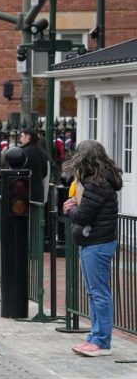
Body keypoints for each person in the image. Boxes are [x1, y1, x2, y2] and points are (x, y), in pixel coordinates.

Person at [62, 140, 123, 357]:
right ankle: (95, 336)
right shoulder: (99, 179)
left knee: (99, 293)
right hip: (95, 241)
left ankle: (101, 341)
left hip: (97, 242)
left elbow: (84, 215)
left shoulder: (97, 183)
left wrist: (70, 209)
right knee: (94, 292)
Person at [19, 126, 49, 202]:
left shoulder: (23, 152)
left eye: (22, 136)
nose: (20, 139)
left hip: (24, 192)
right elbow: (45, 173)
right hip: (38, 193)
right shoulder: (43, 153)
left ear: (28, 137)